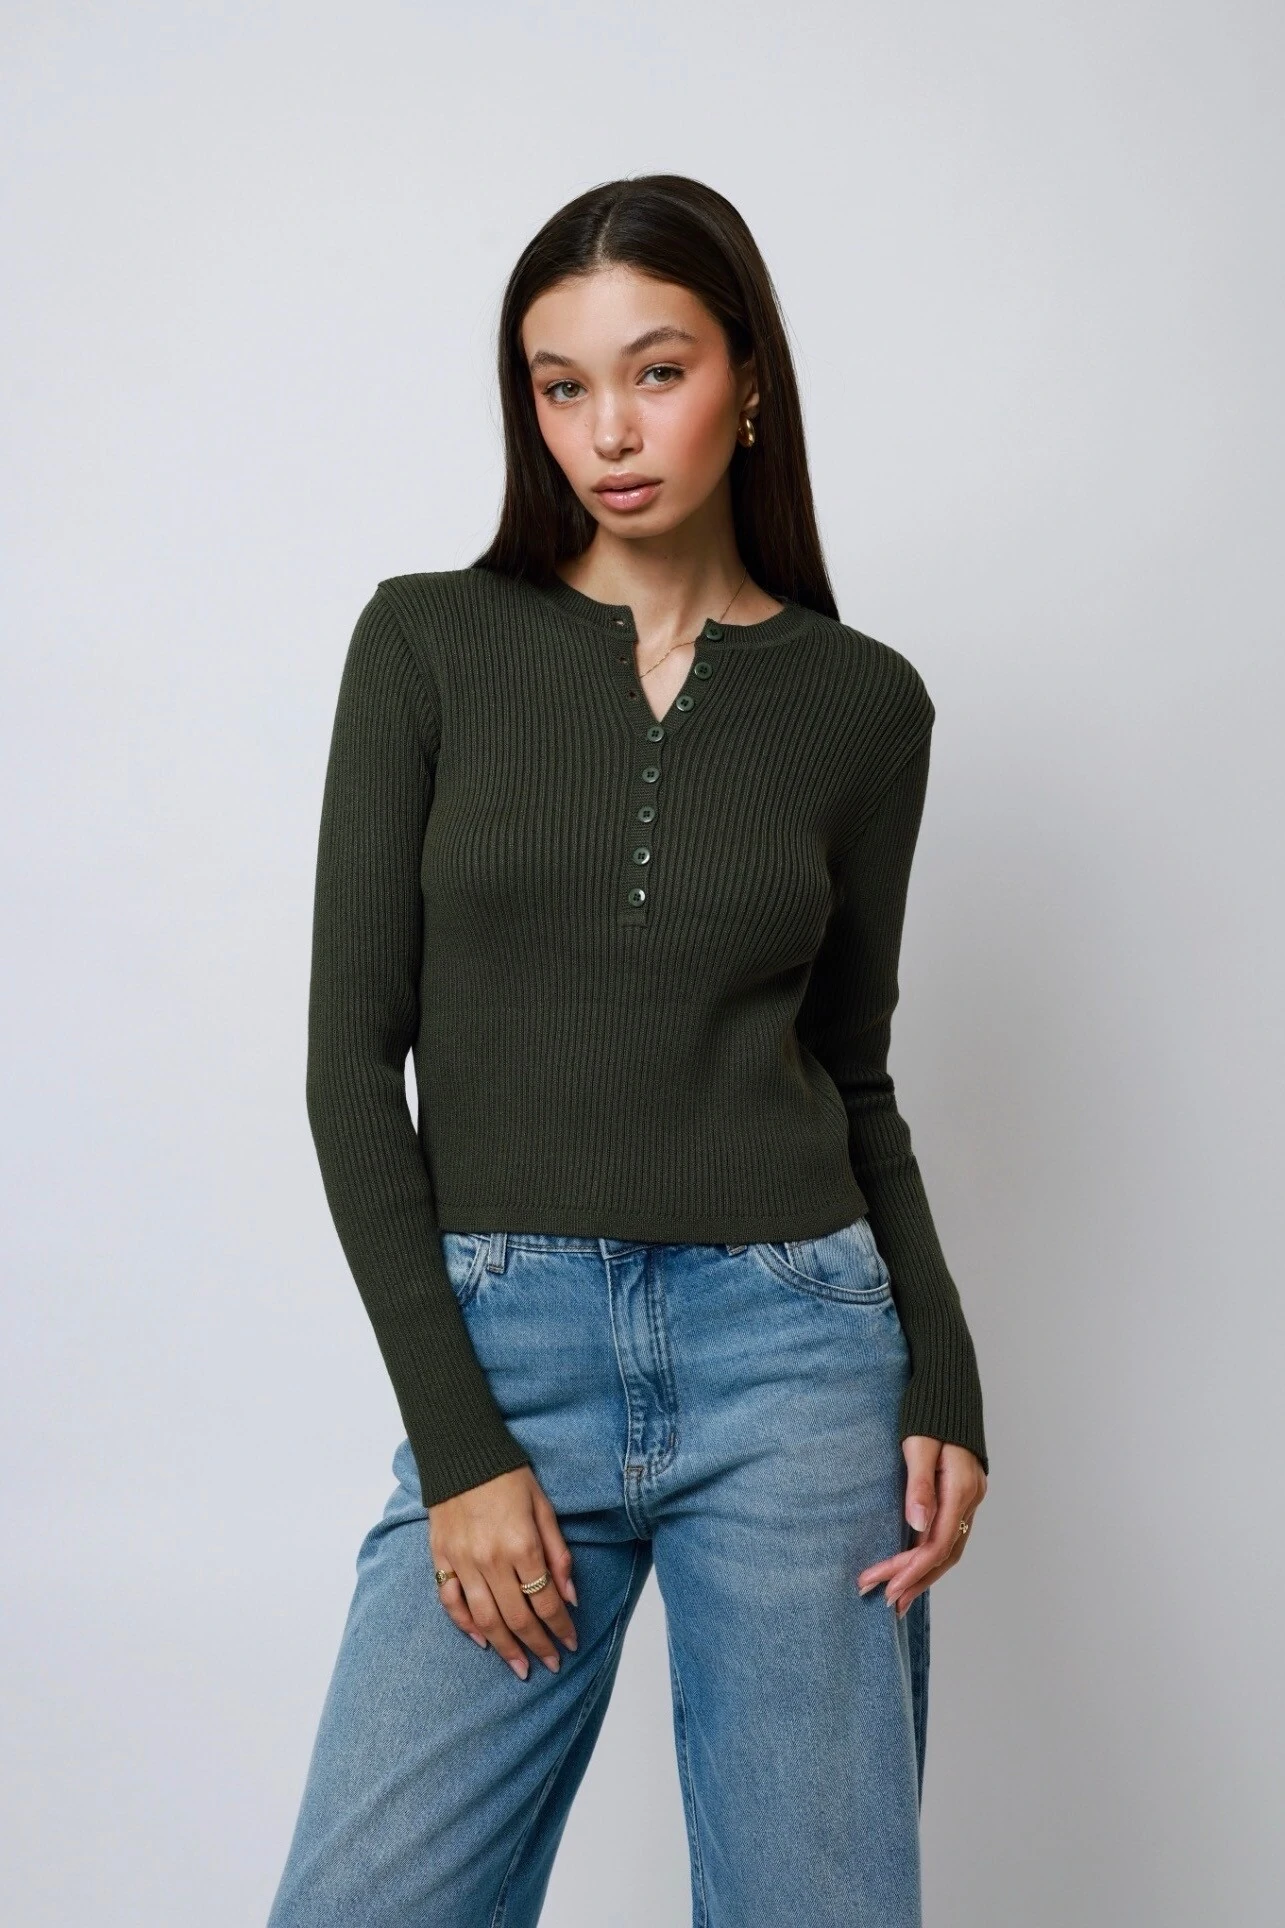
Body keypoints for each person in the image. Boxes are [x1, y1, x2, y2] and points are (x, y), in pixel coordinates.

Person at [267, 172, 988, 1928]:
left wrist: (946, 1380)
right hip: (507, 1351)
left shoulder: (862, 704)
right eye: (561, 384)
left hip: (799, 1358)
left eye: (656, 372)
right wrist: (460, 1445)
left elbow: (854, 1072)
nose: (608, 430)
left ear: (749, 382)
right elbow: (352, 1067)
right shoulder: (428, 644)